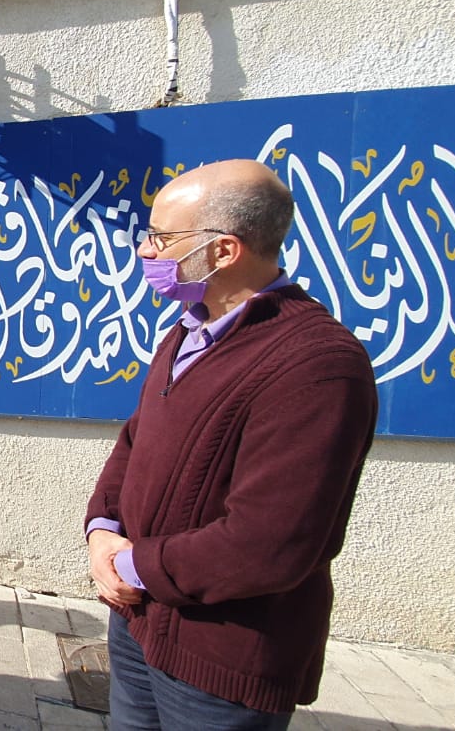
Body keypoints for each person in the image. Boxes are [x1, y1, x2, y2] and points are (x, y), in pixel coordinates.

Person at [84, 159, 378, 729]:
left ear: (223, 252)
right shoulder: (187, 331)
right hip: (139, 625)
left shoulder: (317, 366)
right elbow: (134, 445)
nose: (146, 252)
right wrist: (102, 532)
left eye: (162, 239)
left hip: (220, 663)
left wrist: (134, 564)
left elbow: (269, 542)